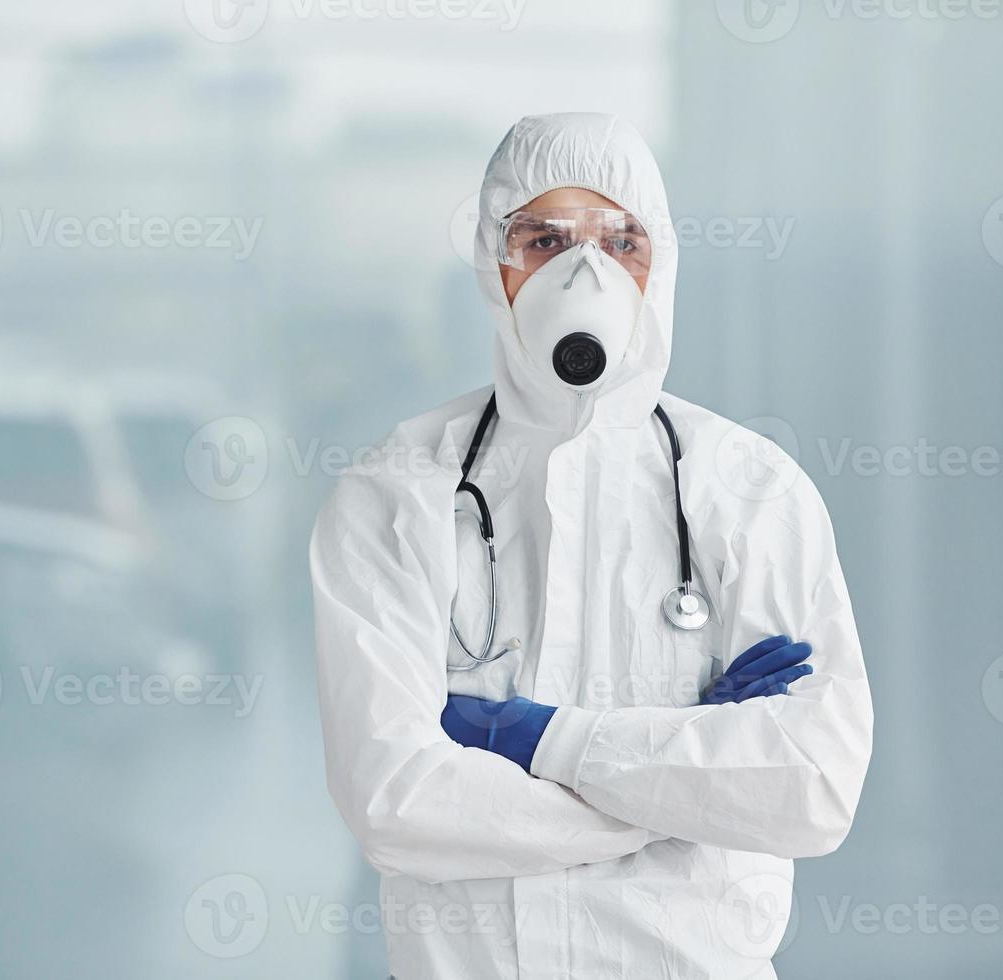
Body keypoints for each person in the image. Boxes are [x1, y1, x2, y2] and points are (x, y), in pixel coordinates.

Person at [310, 112, 872, 980]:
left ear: (661, 268)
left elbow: (812, 788)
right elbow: (394, 801)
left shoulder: (749, 490)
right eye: (544, 240)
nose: (586, 274)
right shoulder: (396, 491)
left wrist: (539, 743)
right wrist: (688, 787)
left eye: (622, 242)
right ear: (495, 265)